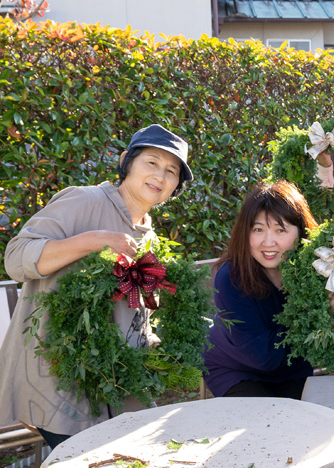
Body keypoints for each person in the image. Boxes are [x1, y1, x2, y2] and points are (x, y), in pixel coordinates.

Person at [0, 124, 193, 448]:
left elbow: (132, 313)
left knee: (150, 443)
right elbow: (16, 257)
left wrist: (166, 347)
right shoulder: (83, 201)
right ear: (125, 162)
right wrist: (93, 241)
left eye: (171, 171)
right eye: (151, 162)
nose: (160, 176)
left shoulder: (150, 236)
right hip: (56, 376)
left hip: (113, 379)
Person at [203, 181, 334, 399]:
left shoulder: (317, 266)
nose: (269, 242)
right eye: (258, 229)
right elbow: (263, 357)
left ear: (301, 233)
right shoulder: (231, 278)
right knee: (262, 422)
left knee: (305, 422)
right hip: (236, 369)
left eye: (280, 230)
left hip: (292, 370)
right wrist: (321, 311)